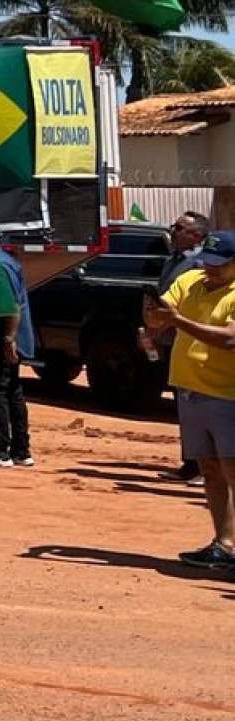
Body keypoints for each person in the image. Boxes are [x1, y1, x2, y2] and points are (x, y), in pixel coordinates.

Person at [142, 229, 235, 568]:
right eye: (207, 262)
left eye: (220, 265)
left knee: (232, 470)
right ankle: (224, 544)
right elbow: (161, 314)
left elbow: (228, 339)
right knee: (210, 469)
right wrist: (153, 316)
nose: (210, 269)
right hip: (191, 391)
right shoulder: (192, 280)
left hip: (228, 395)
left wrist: (177, 321)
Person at [157, 212, 212, 481]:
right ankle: (190, 462)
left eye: (180, 228)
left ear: (197, 236)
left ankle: (200, 465)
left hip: (197, 343)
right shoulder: (174, 260)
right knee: (183, 403)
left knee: (197, 404)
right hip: (173, 340)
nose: (174, 231)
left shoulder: (201, 266)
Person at [0, 231, 36, 471]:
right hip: (8, 338)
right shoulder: (4, 261)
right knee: (12, 390)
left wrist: (8, 339)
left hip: (6, 340)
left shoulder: (0, 265)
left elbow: (12, 305)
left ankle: (0, 449)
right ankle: (20, 450)